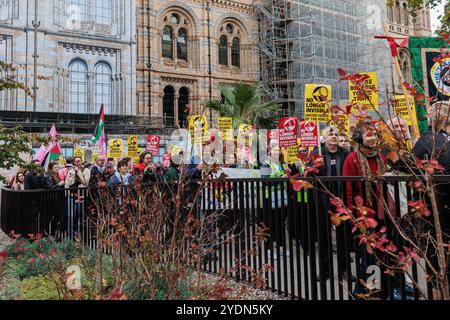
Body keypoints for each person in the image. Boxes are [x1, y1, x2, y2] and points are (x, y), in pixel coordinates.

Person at [343, 121, 388, 297]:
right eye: (369, 135)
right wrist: (354, 217)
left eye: (375, 135)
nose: (373, 138)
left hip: (381, 214)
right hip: (363, 217)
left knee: (379, 255)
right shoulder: (351, 159)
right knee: (368, 257)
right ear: (360, 137)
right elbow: (348, 189)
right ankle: (369, 291)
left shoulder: (380, 158)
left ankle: (367, 290)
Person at [413, 101, 450, 296]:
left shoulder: (430, 139)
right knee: (438, 262)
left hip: (440, 210)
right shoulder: (431, 140)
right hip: (437, 210)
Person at [311, 126, 352, 282]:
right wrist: (312, 168)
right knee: (323, 237)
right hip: (322, 201)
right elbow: (307, 174)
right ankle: (325, 271)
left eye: (336, 134)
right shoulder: (317, 153)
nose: (334, 136)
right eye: (331, 134)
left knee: (343, 237)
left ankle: (345, 270)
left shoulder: (345, 154)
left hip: (341, 201)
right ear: (324, 137)